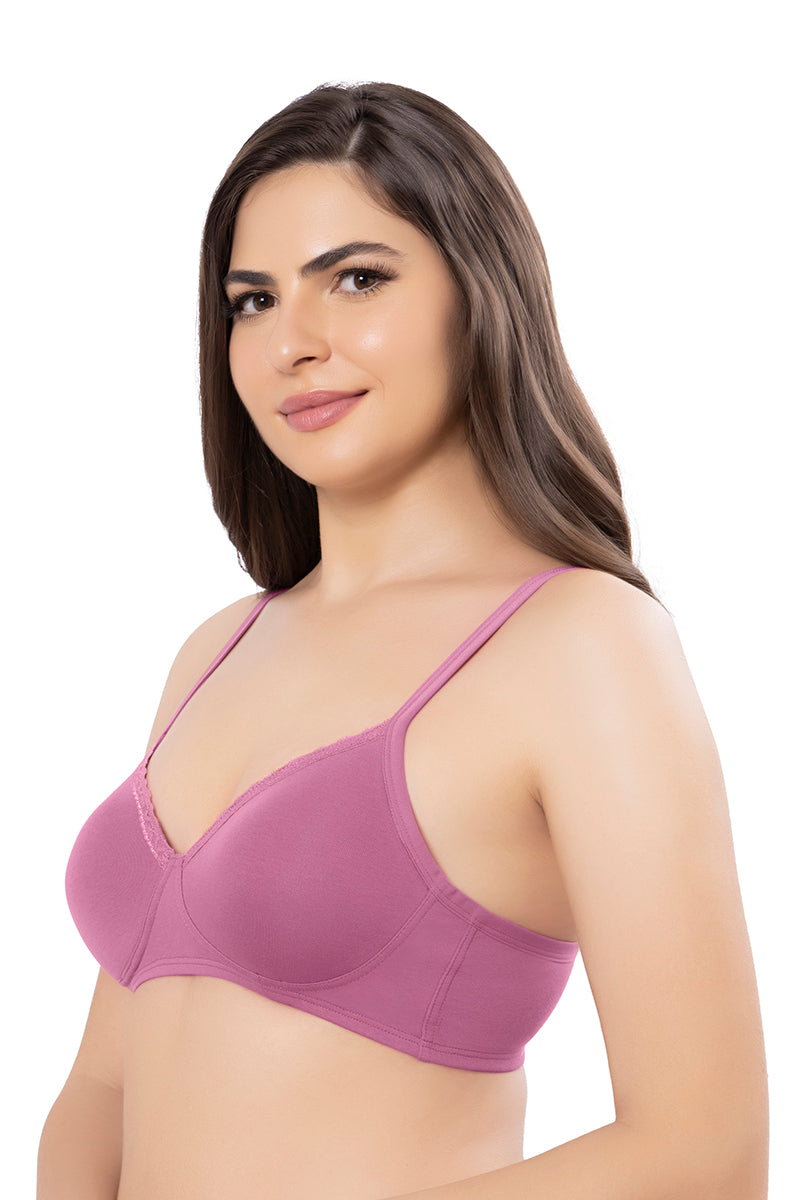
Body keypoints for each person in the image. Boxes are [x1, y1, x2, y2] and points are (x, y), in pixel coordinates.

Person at [37, 81, 768, 1200]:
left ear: (480, 294)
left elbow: (704, 1152)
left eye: (356, 279)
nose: (292, 342)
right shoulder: (214, 650)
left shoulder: (580, 645)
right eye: (252, 301)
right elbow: (103, 1084)